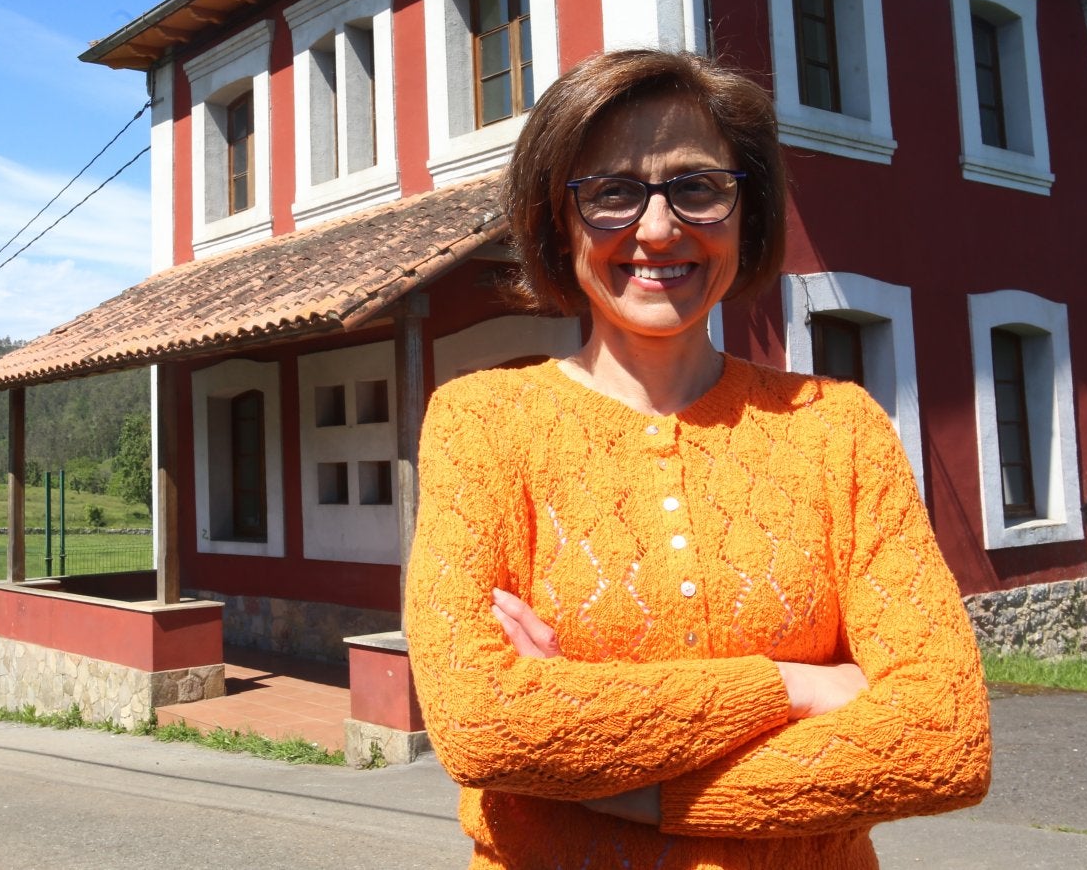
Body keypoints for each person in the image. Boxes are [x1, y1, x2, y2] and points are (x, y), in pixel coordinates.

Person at [404, 49, 991, 869]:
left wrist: (626, 789)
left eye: (697, 187)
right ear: (556, 219)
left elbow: (944, 738)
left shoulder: (840, 430)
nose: (656, 228)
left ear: (745, 212)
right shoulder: (483, 425)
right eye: (611, 191)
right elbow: (480, 723)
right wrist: (795, 686)